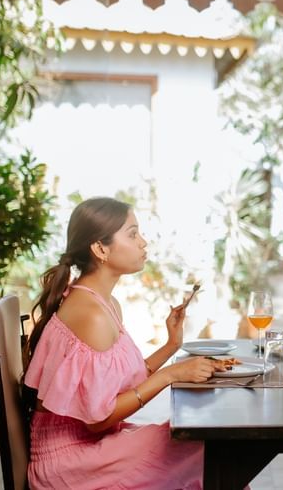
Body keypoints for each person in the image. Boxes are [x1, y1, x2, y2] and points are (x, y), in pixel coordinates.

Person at [22, 197, 221, 489]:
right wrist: (170, 375)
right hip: (71, 462)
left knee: (204, 442)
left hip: (93, 445)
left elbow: (113, 385)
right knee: (206, 447)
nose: (143, 242)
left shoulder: (105, 303)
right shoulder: (91, 315)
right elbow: (97, 419)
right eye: (132, 234)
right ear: (100, 249)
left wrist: (171, 346)